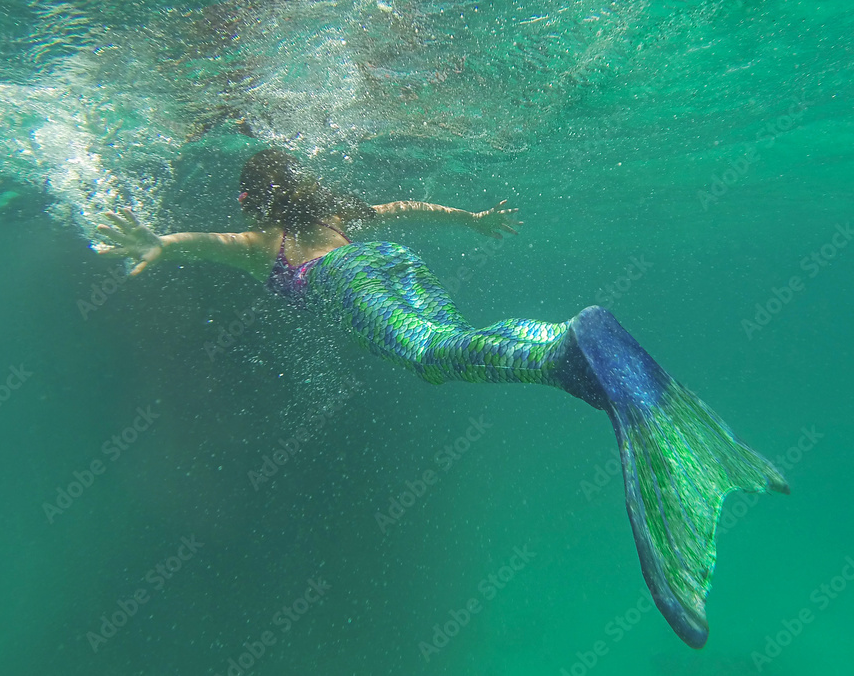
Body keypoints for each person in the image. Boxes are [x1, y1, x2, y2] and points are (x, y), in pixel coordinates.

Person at [96, 147, 788, 649]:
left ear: (258, 200)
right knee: (451, 343)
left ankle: (566, 343)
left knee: (432, 353)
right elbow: (408, 209)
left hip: (347, 283)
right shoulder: (337, 208)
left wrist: (159, 241)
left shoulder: (267, 242)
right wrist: (473, 218)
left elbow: (205, 246)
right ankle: (562, 349)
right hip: (394, 260)